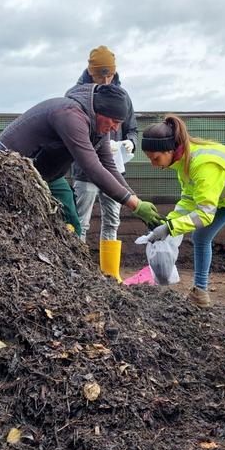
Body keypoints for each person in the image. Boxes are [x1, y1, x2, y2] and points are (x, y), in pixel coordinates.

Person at [0, 83, 161, 243]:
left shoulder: (98, 128)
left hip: (47, 174)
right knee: (29, 222)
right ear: (102, 113)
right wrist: (134, 205)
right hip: (13, 168)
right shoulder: (70, 115)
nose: (116, 129)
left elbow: (110, 167)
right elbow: (92, 167)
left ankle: (71, 269)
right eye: (115, 122)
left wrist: (136, 200)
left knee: (72, 221)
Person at [140, 115, 225, 307]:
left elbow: (204, 214)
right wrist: (168, 222)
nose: (154, 164)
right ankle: (200, 293)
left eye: (155, 158)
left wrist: (169, 229)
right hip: (224, 194)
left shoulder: (202, 164)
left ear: (169, 150)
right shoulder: (183, 161)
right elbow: (189, 200)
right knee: (199, 238)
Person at [70, 46, 139, 279]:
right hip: (85, 170)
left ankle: (110, 273)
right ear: (91, 72)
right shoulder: (77, 94)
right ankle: (77, 272)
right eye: (101, 75)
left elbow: (132, 129)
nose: (106, 80)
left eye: (109, 75)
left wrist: (130, 142)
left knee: (112, 221)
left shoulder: (123, 96)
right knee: (81, 222)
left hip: (114, 169)